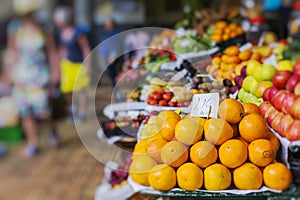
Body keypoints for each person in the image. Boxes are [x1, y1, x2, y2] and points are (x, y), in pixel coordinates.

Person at [3, 1, 58, 158]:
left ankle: (51, 129)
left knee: (43, 110)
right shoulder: (14, 27)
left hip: (39, 76)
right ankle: (33, 142)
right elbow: (11, 52)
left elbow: (52, 51)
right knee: (24, 110)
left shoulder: (43, 27)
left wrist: (55, 71)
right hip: (21, 76)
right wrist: (7, 74)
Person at [53, 6, 91, 123]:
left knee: (80, 90)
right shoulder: (60, 33)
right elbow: (61, 50)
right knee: (66, 90)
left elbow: (85, 48)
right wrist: (58, 66)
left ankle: (82, 112)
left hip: (78, 65)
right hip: (67, 65)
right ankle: (72, 109)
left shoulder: (78, 32)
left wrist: (87, 64)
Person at [98, 18, 120, 87]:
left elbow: (116, 46)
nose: (106, 26)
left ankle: (115, 90)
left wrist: (113, 56)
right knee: (111, 74)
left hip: (111, 57)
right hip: (106, 57)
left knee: (112, 74)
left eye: (108, 25)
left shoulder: (115, 34)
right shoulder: (107, 33)